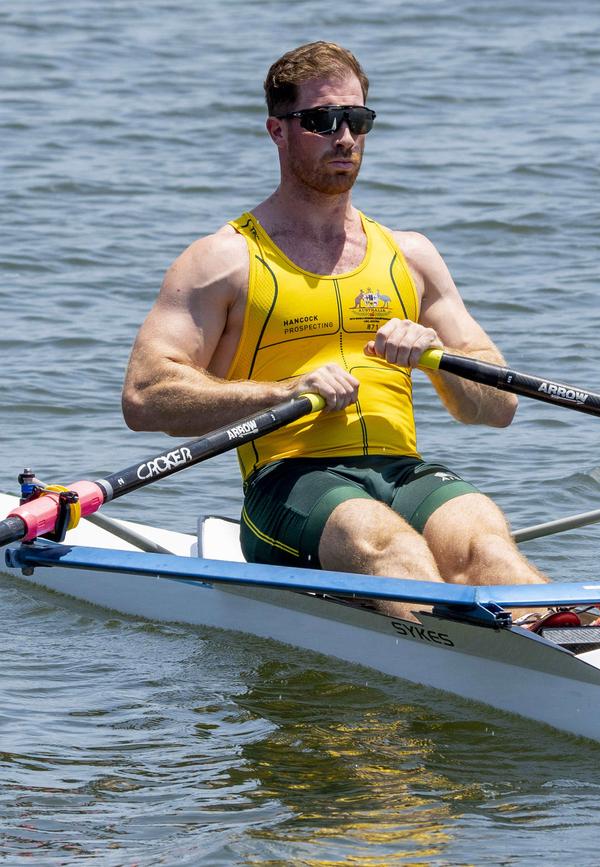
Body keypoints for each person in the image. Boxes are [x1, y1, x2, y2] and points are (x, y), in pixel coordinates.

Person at [122, 41, 549, 621]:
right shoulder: (222, 261)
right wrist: (285, 391)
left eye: (357, 119)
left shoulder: (412, 255)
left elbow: (499, 407)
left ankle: (565, 646)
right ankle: (458, 657)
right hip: (288, 484)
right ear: (278, 130)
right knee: (385, 542)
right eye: (321, 121)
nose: (344, 137)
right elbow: (146, 397)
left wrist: (436, 358)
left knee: (486, 543)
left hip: (404, 471)